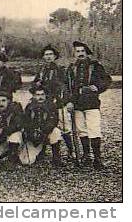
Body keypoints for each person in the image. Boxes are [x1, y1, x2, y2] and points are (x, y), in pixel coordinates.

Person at [65, 41, 112, 170]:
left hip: (92, 103)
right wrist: (69, 101)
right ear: (74, 53)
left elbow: (107, 80)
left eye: (82, 51)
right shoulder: (71, 68)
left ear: (86, 53)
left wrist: (97, 87)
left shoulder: (95, 66)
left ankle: (97, 158)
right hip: (77, 104)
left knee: (94, 129)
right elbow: (67, 87)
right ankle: (86, 156)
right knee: (81, 130)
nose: (80, 54)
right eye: (77, 52)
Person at [32, 44, 74, 159]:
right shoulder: (41, 71)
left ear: (55, 56)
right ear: (43, 57)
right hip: (43, 103)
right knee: (43, 123)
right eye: (46, 54)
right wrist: (36, 85)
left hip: (57, 102)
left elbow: (65, 86)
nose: (48, 56)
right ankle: (42, 150)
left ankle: (71, 150)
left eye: (51, 54)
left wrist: (65, 100)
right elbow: (33, 87)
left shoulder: (60, 70)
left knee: (63, 126)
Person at [20, 85, 64, 167]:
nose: (40, 97)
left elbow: (53, 121)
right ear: (33, 96)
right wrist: (32, 132)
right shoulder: (29, 107)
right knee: (26, 161)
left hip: (46, 133)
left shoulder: (51, 106)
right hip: (33, 135)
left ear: (45, 95)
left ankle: (56, 157)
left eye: (42, 94)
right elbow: (25, 122)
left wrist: (43, 131)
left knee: (56, 132)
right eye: (38, 95)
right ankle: (39, 153)